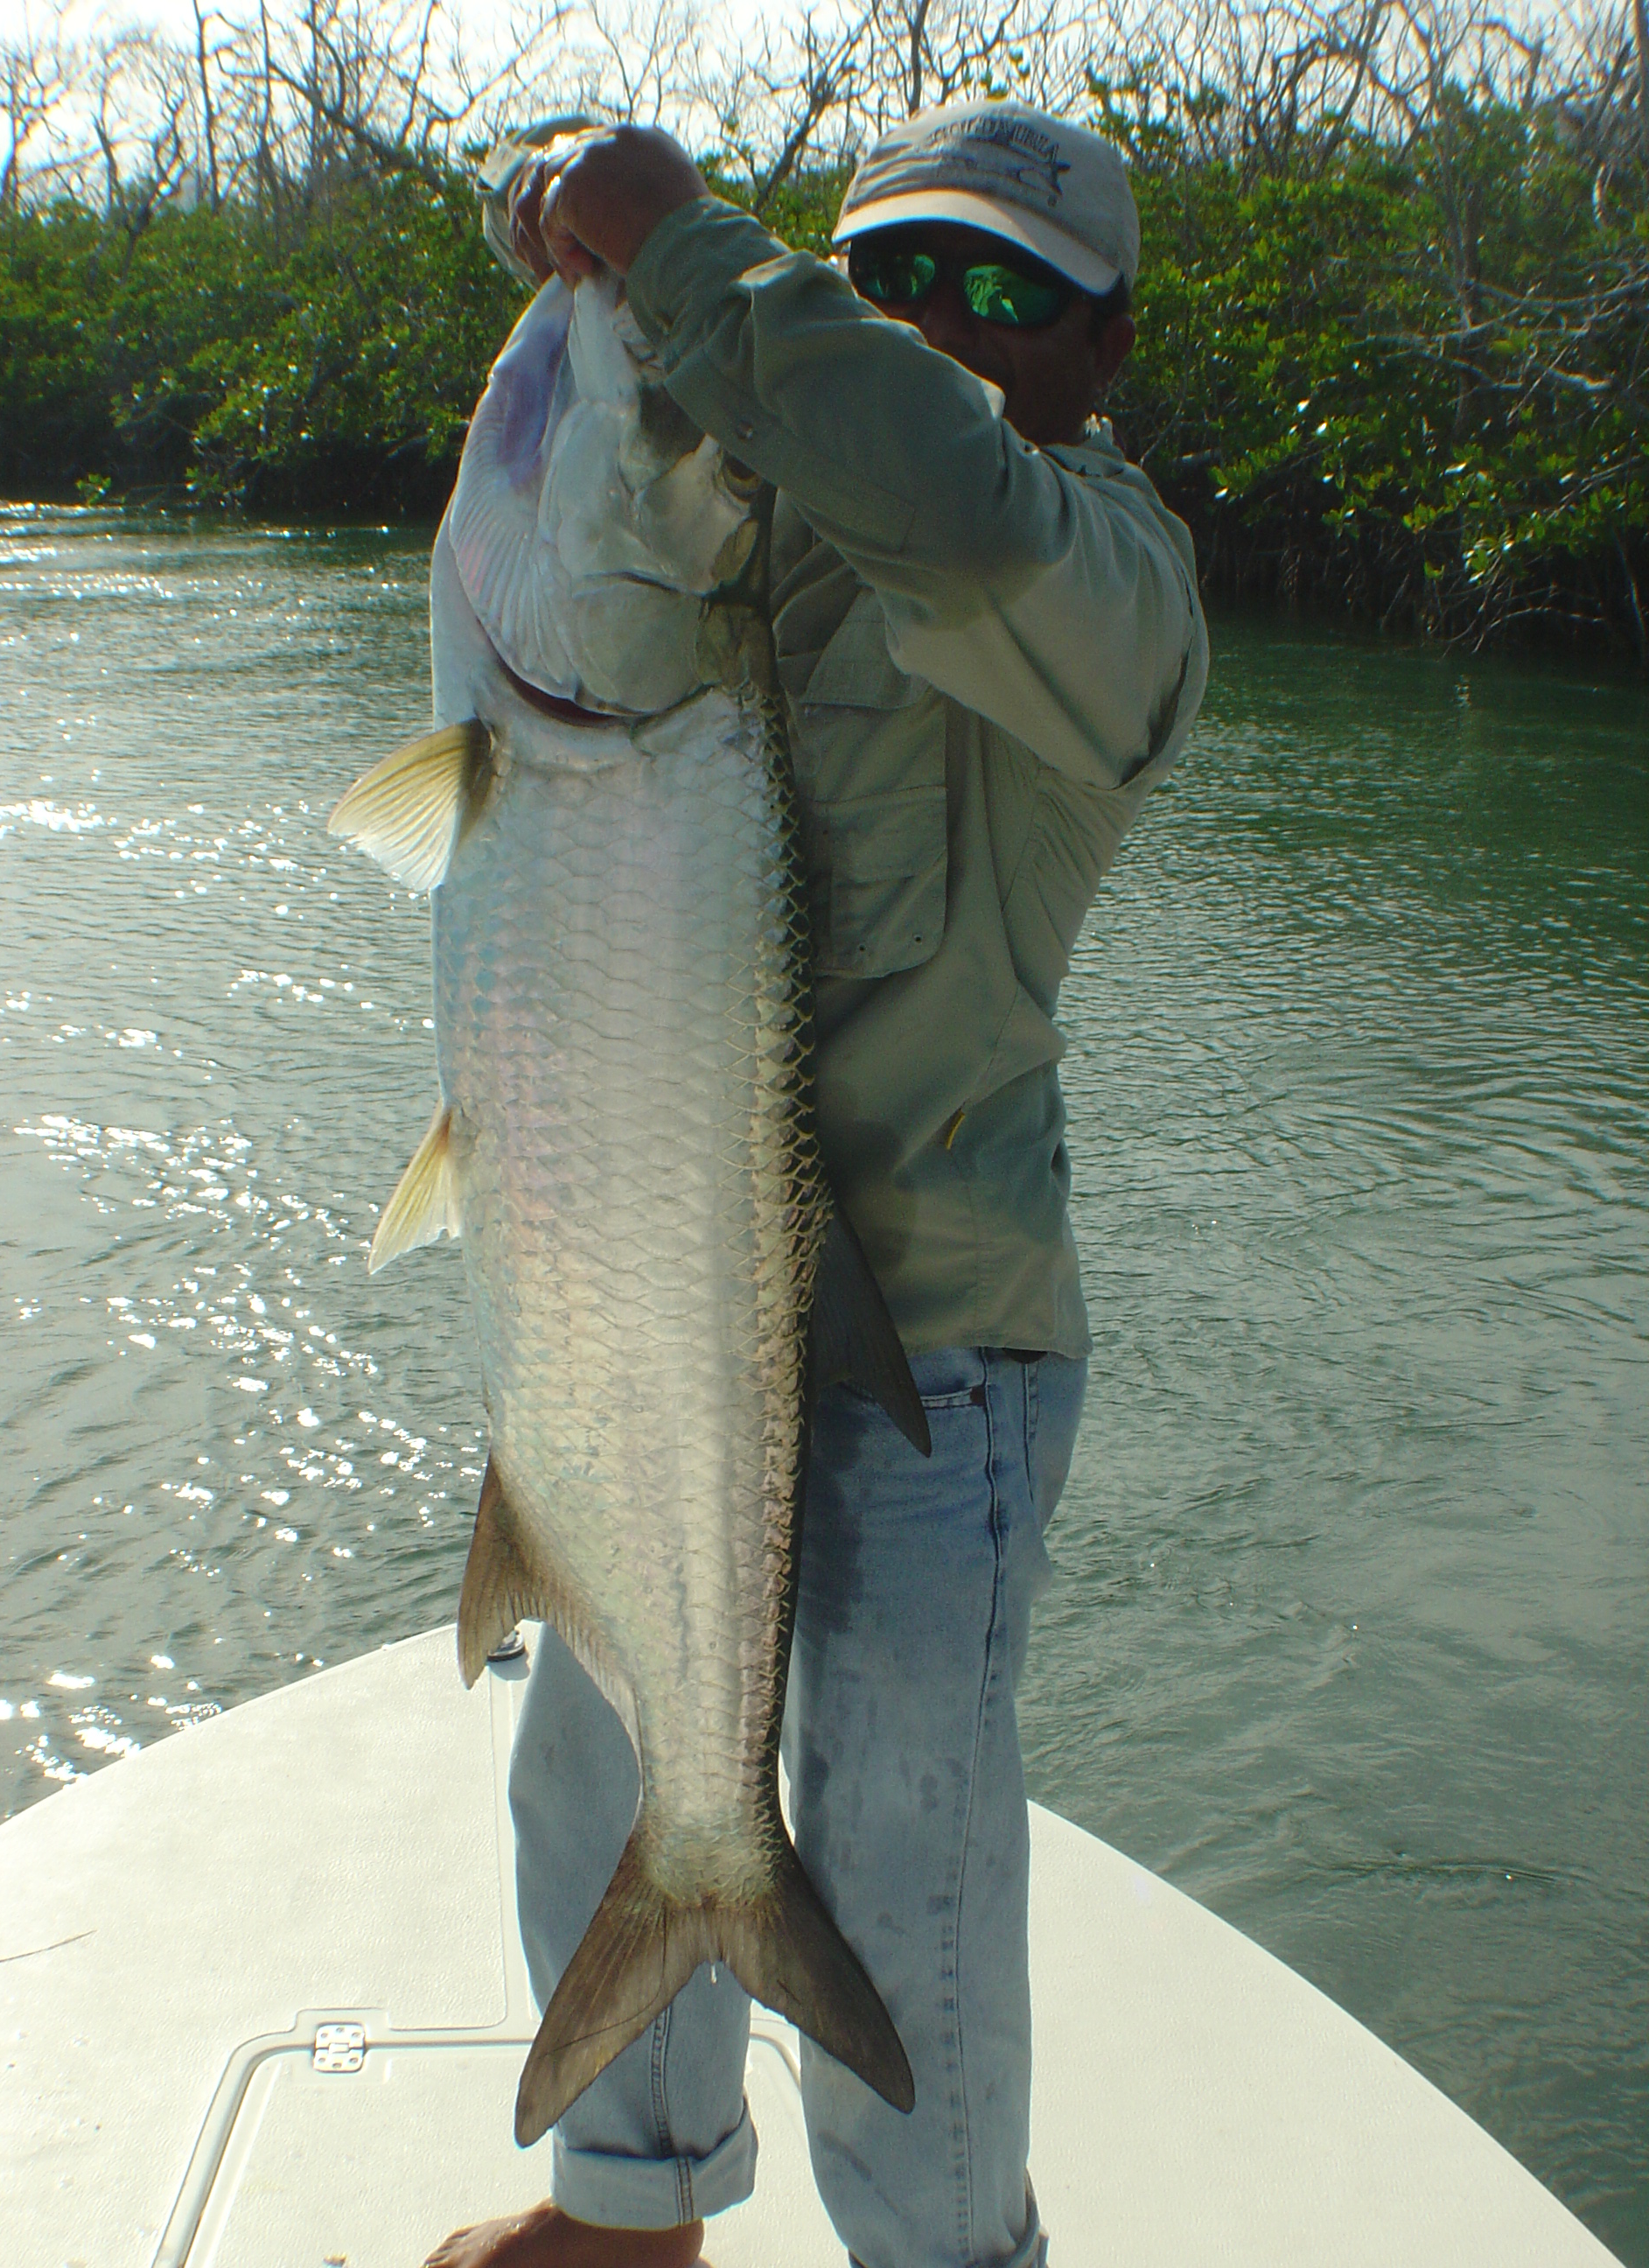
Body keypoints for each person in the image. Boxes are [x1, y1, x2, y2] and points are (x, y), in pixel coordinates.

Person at [426, 99, 1209, 2268]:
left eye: (1006, 293)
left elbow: (939, 502)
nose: (947, 324)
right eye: (899, 278)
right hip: (659, 1299)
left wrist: (691, 252)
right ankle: (636, 2203)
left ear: (1100, 350)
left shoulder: (1101, 580)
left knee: (904, 1857)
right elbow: (614, 504)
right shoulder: (756, 522)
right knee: (601, 1760)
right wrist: (588, 262)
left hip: (934, 1340)